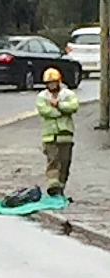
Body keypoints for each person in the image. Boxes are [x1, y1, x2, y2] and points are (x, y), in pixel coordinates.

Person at [35, 68, 79, 197]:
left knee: (65, 163)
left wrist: (58, 105)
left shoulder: (68, 94)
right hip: (49, 136)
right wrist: (61, 112)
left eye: (54, 82)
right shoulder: (42, 97)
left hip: (65, 136)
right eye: (49, 83)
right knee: (53, 161)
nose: (51, 85)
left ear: (59, 81)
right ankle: (53, 187)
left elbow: (74, 106)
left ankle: (61, 186)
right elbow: (45, 111)